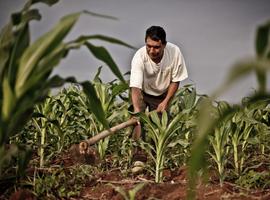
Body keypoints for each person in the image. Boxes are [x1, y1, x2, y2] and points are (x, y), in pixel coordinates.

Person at [129, 25, 188, 141]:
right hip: (142, 91)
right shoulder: (139, 57)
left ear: (164, 45)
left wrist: (166, 101)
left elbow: (175, 80)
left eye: (156, 47)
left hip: (162, 94)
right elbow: (135, 87)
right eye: (148, 46)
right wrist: (137, 110)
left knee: (160, 128)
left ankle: (156, 154)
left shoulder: (174, 53)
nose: (151, 51)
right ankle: (138, 153)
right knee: (136, 121)